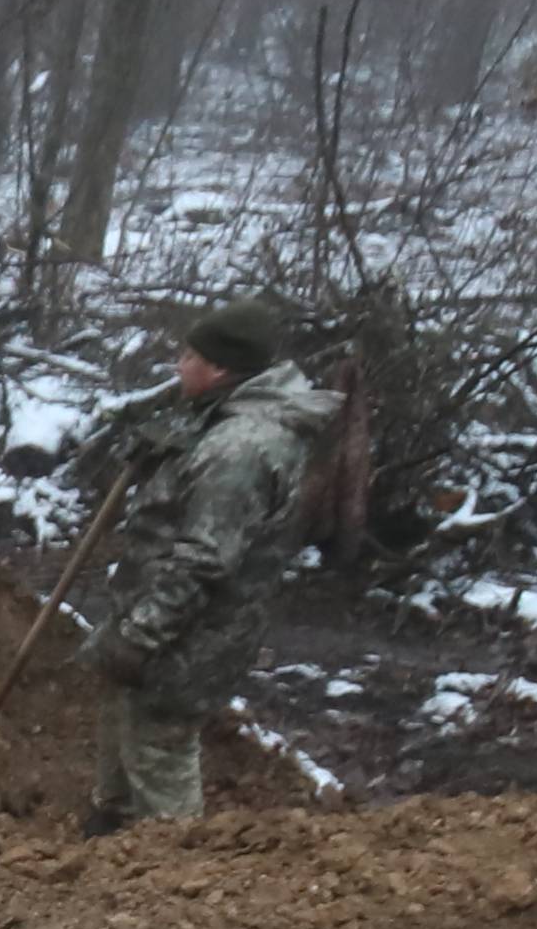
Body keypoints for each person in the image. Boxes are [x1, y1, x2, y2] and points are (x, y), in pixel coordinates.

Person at [73, 296, 350, 829]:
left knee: (159, 738)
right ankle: (110, 828)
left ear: (220, 368)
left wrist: (142, 635)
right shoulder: (225, 417)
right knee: (125, 717)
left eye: (188, 357)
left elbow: (204, 558)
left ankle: (171, 857)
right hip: (159, 609)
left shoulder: (238, 450)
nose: (178, 365)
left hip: (191, 629)